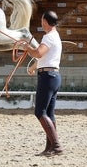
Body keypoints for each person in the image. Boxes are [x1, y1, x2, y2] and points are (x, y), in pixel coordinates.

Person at [23, 10, 63, 156]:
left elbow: (38, 53)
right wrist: (34, 67)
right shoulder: (55, 36)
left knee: (39, 111)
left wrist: (27, 48)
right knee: (49, 114)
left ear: (45, 22)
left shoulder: (48, 37)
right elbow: (45, 57)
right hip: (53, 76)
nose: (41, 23)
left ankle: (56, 146)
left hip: (47, 77)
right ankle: (50, 148)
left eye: (41, 20)